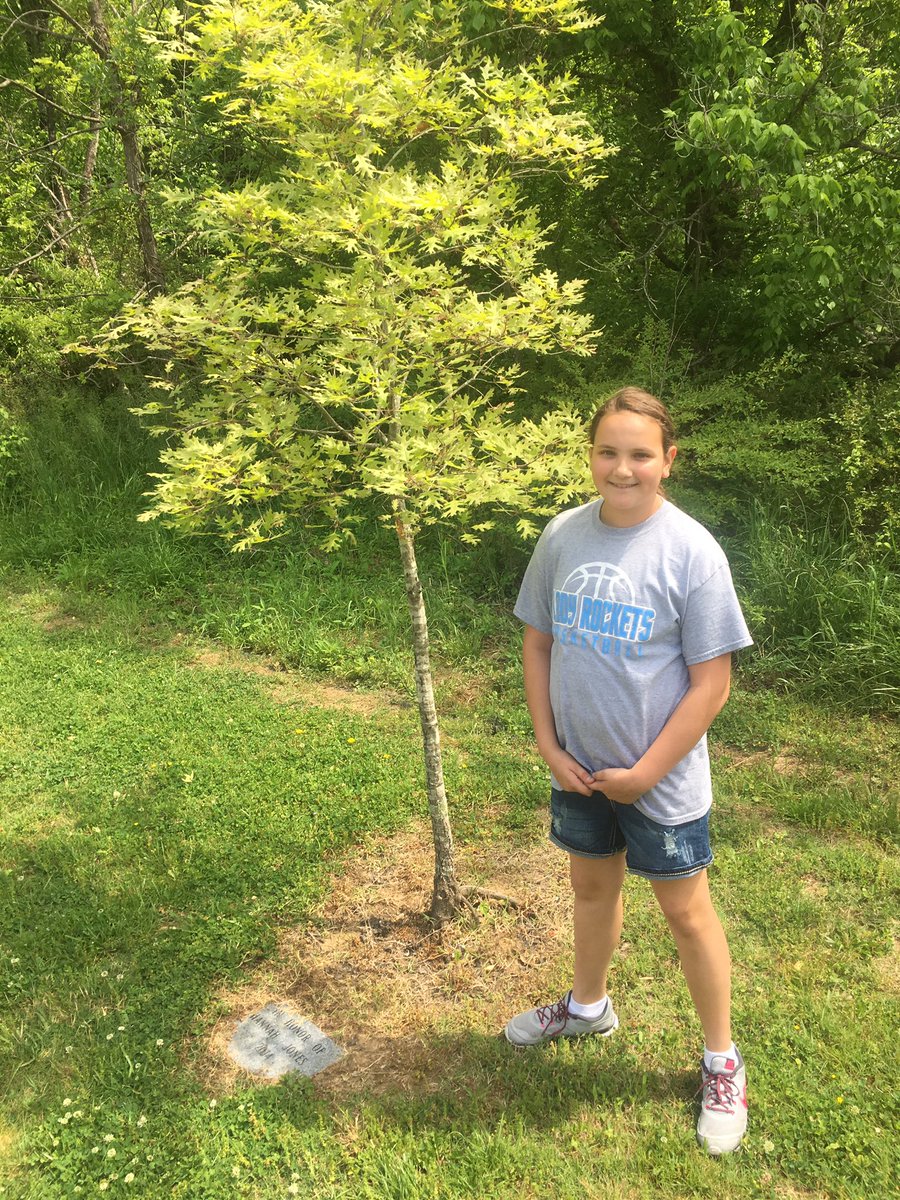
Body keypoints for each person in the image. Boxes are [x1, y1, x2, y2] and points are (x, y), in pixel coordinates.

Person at [506, 386, 753, 1155]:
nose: (623, 468)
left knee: (686, 913)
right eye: (608, 451)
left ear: (667, 461)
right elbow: (539, 642)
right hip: (578, 769)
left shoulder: (692, 552)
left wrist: (647, 770)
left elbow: (712, 682)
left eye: (640, 454)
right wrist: (549, 746)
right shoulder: (561, 537)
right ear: (591, 456)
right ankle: (588, 1008)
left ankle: (721, 1061)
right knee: (590, 887)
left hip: (662, 780)